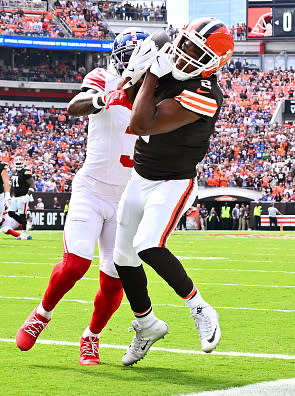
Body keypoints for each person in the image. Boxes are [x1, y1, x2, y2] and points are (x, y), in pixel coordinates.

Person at [16, 28, 150, 365]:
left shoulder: (156, 93)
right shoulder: (104, 78)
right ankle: (41, 315)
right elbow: (75, 105)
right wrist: (106, 98)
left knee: (114, 278)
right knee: (75, 264)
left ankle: (91, 337)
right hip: (92, 188)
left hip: (126, 196)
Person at [111, 17, 234, 366]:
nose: (187, 54)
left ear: (214, 62)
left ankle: (200, 307)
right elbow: (131, 97)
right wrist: (135, 72)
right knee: (123, 258)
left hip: (173, 181)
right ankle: (147, 324)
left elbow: (139, 123)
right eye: (187, 43)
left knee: (147, 244)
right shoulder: (167, 50)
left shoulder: (205, 93)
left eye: (199, 51)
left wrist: (149, 72)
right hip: (141, 175)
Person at [8, 156, 36, 240]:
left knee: (22, 214)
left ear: (23, 164)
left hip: (23, 196)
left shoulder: (26, 172)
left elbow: (32, 186)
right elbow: (13, 186)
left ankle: (24, 233)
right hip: (15, 196)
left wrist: (27, 196)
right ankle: (26, 223)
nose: (19, 165)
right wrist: (9, 196)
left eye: (20, 163)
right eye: (17, 163)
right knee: (10, 212)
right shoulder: (13, 171)